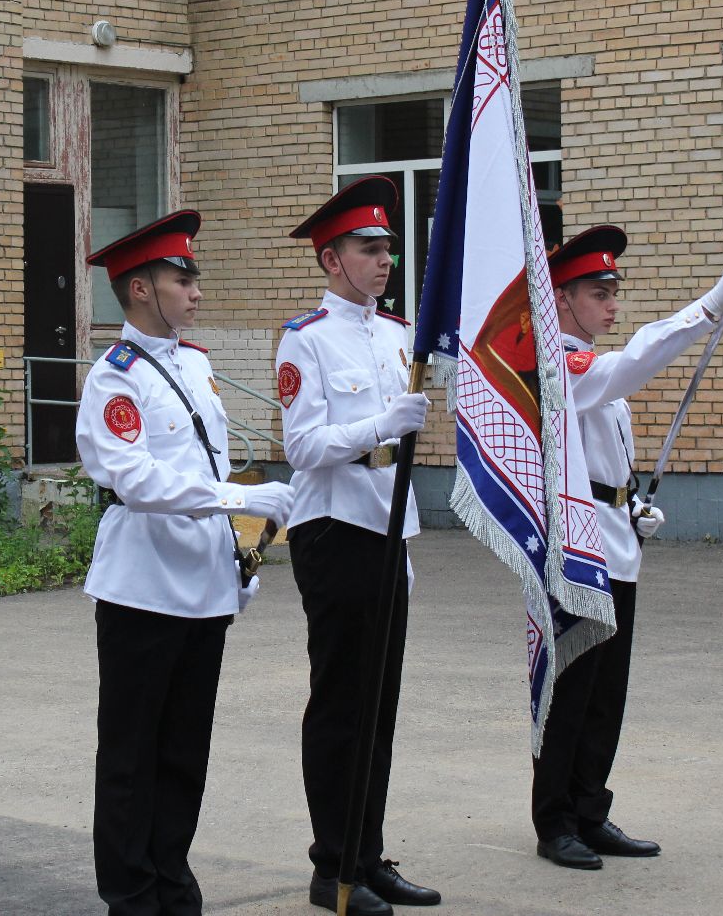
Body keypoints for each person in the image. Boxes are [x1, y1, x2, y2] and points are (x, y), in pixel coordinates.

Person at [76, 209, 296, 916]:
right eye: (183, 279)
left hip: (203, 584)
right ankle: (132, 895)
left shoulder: (195, 363)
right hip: (142, 586)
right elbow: (137, 481)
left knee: (183, 754)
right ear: (141, 289)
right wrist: (238, 496)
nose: (195, 292)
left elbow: (201, 461)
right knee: (131, 758)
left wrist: (234, 552)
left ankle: (172, 879)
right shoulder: (114, 380)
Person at [533, 225, 723, 870]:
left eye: (613, 292)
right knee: (570, 691)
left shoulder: (594, 369)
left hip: (613, 539)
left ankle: (590, 810)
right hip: (574, 549)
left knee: (607, 692)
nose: (612, 304)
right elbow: (630, 362)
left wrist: (632, 507)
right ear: (563, 298)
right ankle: (555, 823)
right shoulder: (559, 364)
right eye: (599, 293)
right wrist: (705, 309)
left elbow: (604, 462)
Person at [275, 176, 441, 916]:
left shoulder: (398, 333)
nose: (384, 261)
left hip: (387, 530)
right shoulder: (305, 339)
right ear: (330, 258)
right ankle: (331, 866)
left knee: (380, 704)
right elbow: (303, 446)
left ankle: (368, 855)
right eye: (368, 249)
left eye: (387, 249)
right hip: (335, 532)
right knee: (343, 704)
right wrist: (380, 427)